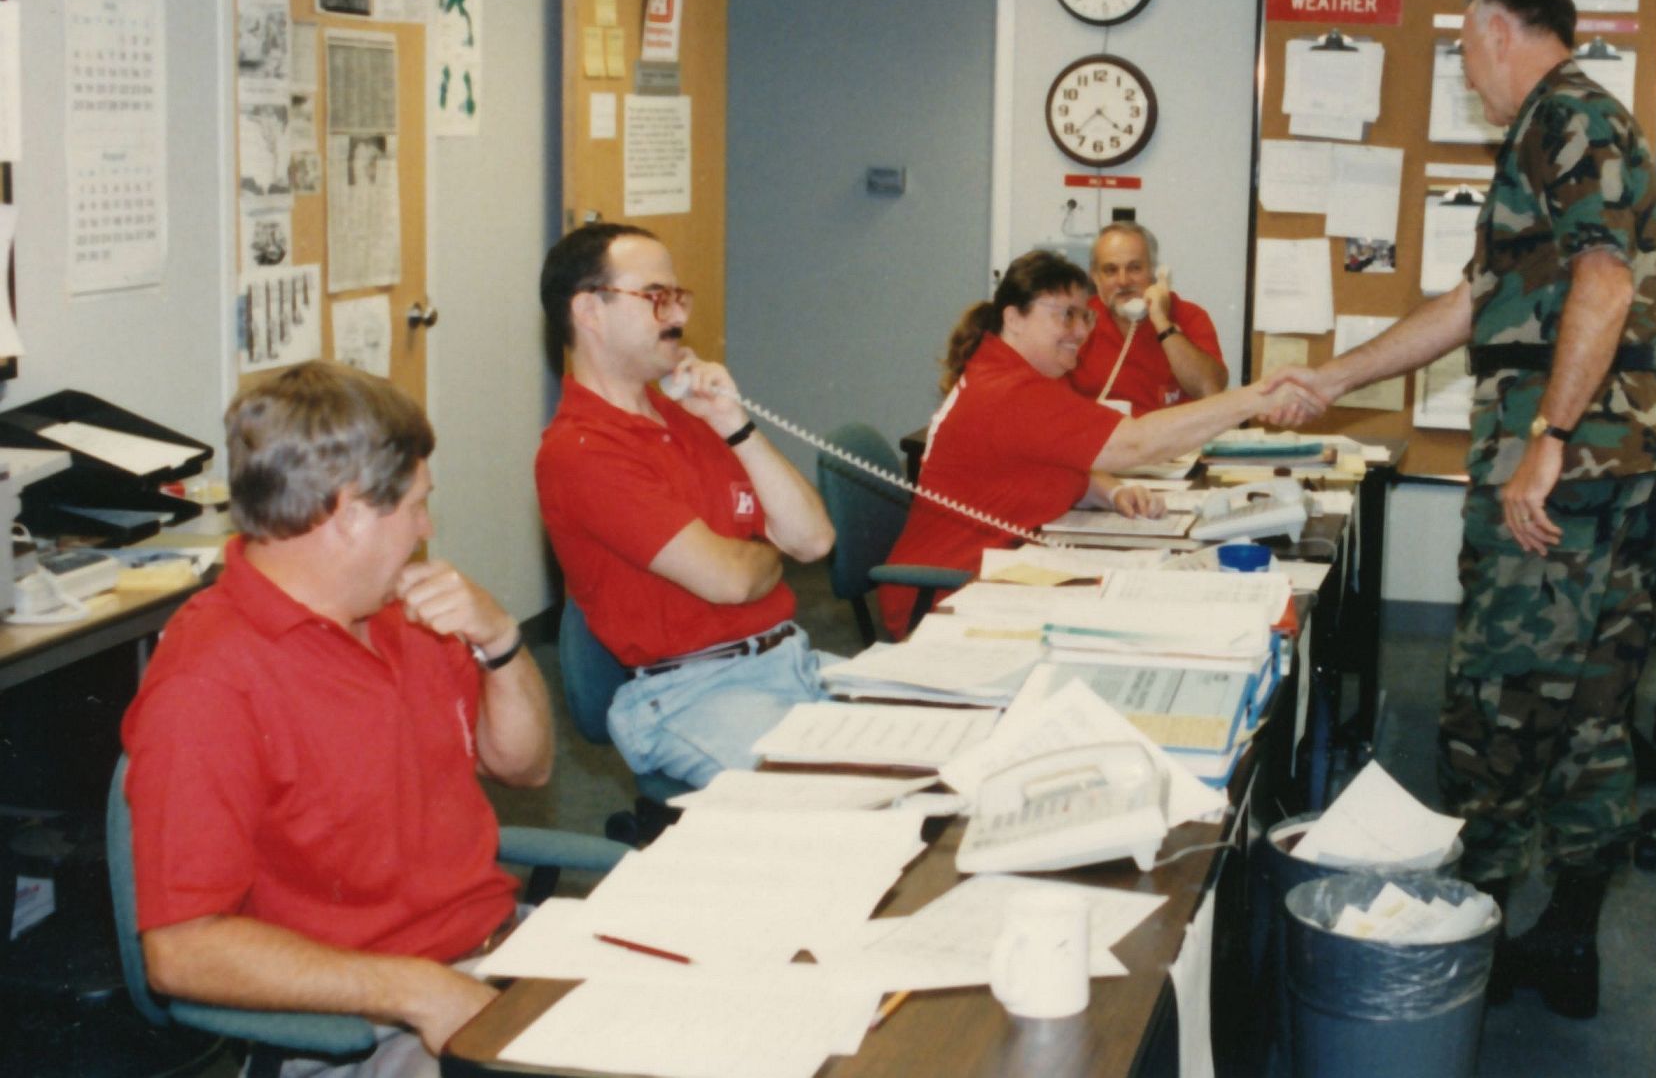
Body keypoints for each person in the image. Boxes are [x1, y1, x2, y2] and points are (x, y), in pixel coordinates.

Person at [1265, 0, 1656, 1018]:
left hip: (1568, 468)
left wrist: (1543, 438)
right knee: (1587, 711)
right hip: (1616, 459)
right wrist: (1333, 376)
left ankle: (1469, 947)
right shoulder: (1563, 126)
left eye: (1461, 44)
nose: (1461, 67)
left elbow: (1604, 280)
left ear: (1502, 31)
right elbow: (1474, 301)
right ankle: (1564, 943)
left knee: (1497, 705)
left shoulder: (1567, 119)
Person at [122, 362, 554, 1076]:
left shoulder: (406, 613)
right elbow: (181, 949)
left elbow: (527, 766)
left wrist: (502, 639)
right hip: (369, 1025)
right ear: (348, 510)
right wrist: (413, 988)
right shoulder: (210, 682)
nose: (426, 527)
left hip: (498, 957)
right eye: (416, 505)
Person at [535, 222, 835, 789]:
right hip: (691, 693)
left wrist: (734, 423)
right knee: (839, 806)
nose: (678, 317)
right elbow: (732, 581)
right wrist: (767, 555)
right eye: (655, 298)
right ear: (590, 312)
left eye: (677, 298)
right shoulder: (581, 451)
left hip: (788, 660)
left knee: (949, 755)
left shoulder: (688, 415)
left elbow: (813, 540)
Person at [879, 249, 1299, 636]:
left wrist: (1111, 491)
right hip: (948, 595)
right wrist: (1255, 397)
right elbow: (1137, 444)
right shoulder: (1009, 391)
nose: (1080, 331)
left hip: (1001, 572)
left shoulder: (1010, 375)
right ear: (1014, 318)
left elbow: (1053, 463)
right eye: (1066, 315)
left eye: (1085, 317)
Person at [1067, 222, 1228, 415]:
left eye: (1135, 268)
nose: (1123, 281)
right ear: (1095, 276)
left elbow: (1210, 391)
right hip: (1098, 439)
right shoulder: (1077, 320)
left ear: (1154, 272)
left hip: (1171, 442)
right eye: (1110, 270)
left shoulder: (1189, 316)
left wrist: (1162, 322)